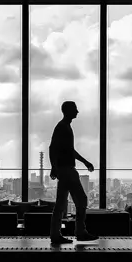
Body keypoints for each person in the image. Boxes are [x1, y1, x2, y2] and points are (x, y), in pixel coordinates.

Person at [48, 101, 100, 246]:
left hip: (65, 170)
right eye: (75, 109)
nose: (77, 112)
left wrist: (54, 166)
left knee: (61, 204)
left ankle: (56, 234)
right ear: (68, 111)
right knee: (81, 200)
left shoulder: (63, 127)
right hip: (67, 170)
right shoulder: (63, 127)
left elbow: (58, 149)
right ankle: (80, 232)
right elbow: (57, 148)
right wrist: (85, 162)